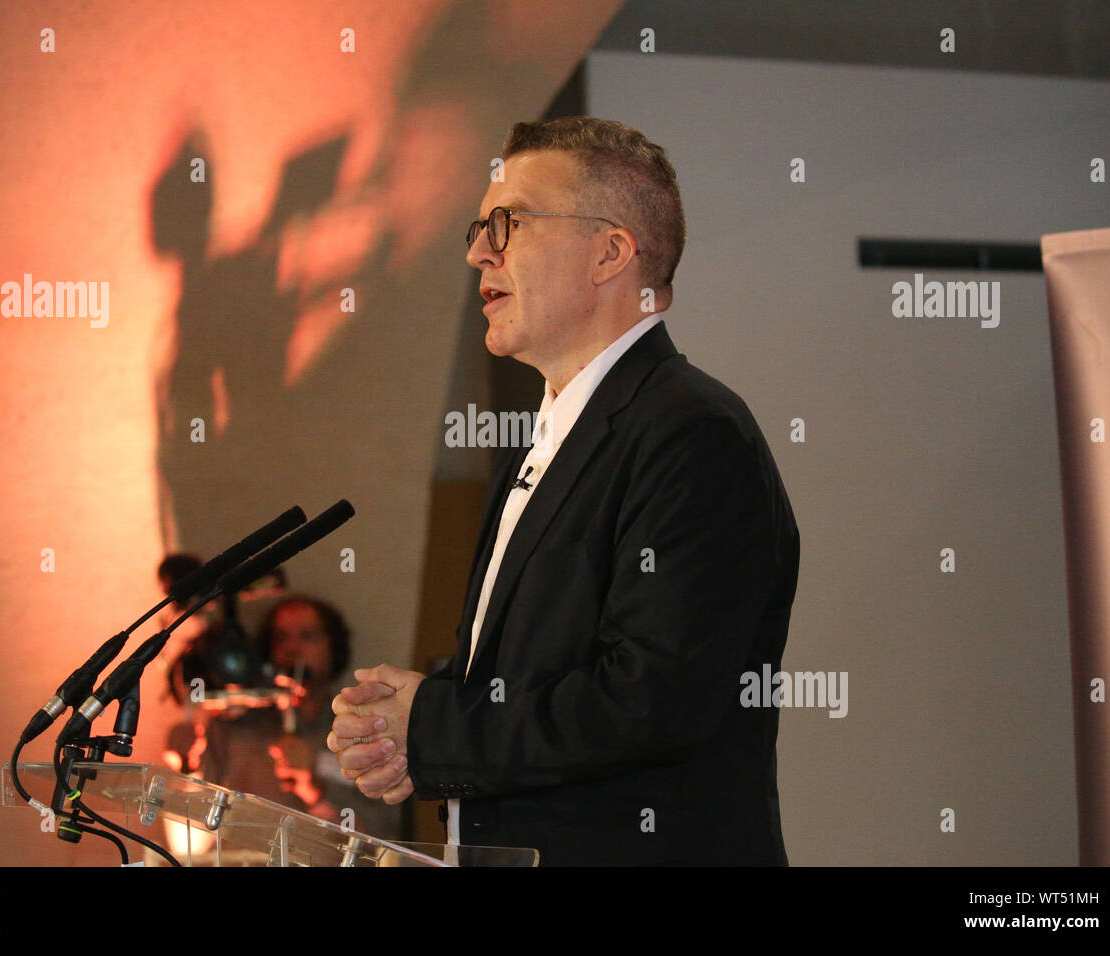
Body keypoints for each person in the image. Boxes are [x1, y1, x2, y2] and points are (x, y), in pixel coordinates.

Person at [327, 117, 800, 865]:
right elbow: (545, 667)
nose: (478, 250)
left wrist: (437, 728)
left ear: (610, 253)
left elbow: (651, 701)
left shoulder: (693, 433)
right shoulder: (550, 433)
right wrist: (415, 718)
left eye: (508, 223)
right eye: (481, 226)